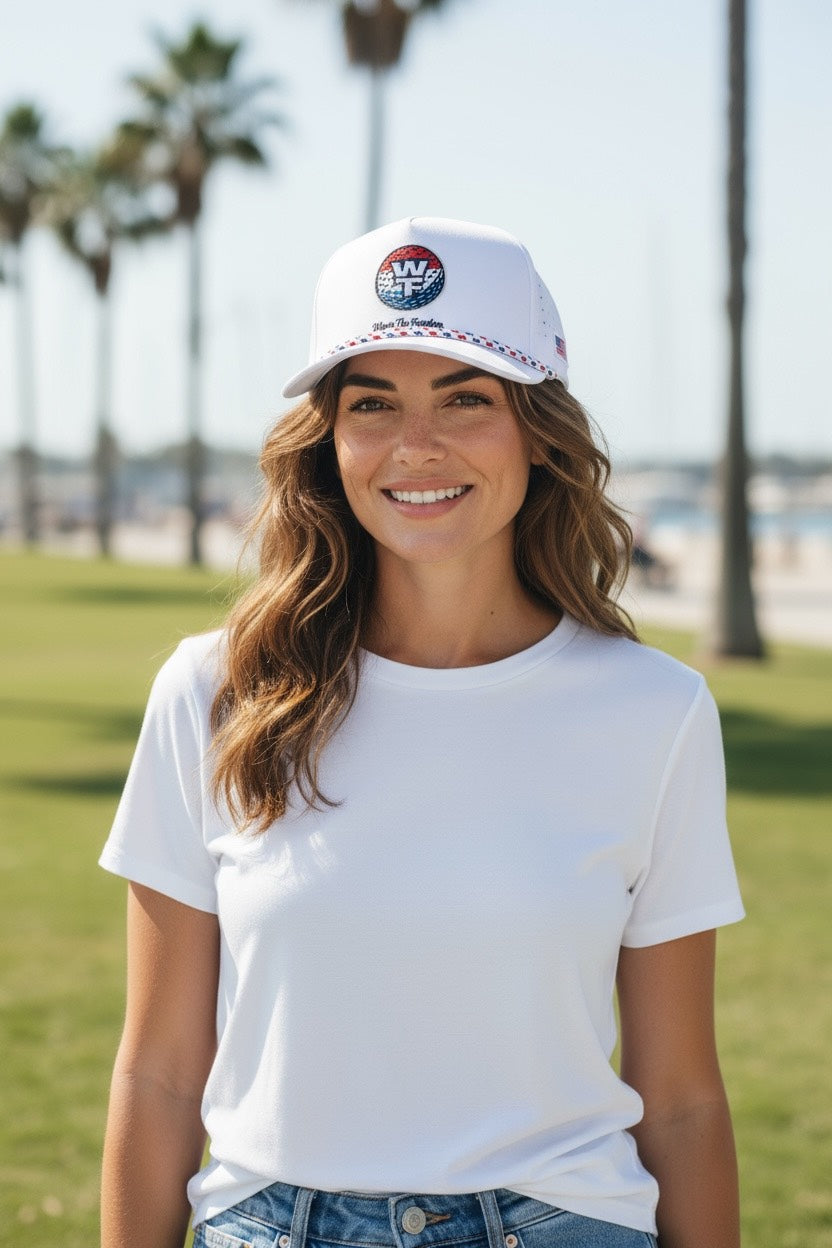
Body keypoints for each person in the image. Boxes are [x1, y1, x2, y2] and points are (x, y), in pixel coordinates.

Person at [99, 217, 744, 1248]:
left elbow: (679, 1101)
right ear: (330, 437)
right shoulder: (213, 694)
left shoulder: (654, 713)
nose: (417, 447)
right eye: (373, 404)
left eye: (465, 398)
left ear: (537, 429)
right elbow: (161, 1073)